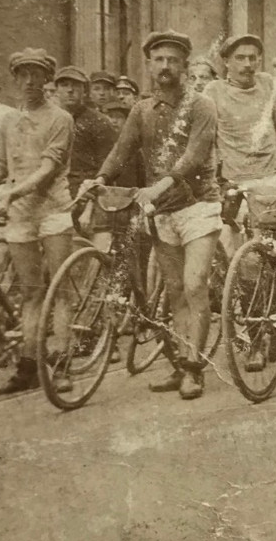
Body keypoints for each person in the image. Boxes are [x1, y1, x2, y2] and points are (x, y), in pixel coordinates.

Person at [88, 31, 222, 401]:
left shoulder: (201, 106)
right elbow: (122, 150)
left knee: (195, 285)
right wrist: (98, 178)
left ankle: (194, 369)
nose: (165, 67)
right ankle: (181, 363)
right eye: (159, 60)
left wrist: (160, 185)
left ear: (184, 65)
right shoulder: (141, 110)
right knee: (175, 290)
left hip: (198, 206)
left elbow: (194, 156)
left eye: (173, 60)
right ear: (149, 65)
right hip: (163, 212)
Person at [0, 50, 77, 395]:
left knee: (60, 287)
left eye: (36, 75)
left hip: (53, 209)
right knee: (30, 292)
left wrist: (11, 193)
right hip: (20, 214)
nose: (28, 81)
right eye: (22, 74)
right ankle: (27, 365)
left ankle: (63, 362)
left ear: (46, 79)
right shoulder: (8, 120)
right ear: (15, 78)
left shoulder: (60, 118)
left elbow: (47, 169)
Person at [202, 33, 276, 258]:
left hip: (273, 176)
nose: (248, 64)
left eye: (253, 58)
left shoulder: (267, 83)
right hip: (236, 181)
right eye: (240, 58)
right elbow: (208, 140)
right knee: (237, 251)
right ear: (226, 62)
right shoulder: (214, 91)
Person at [52, 65, 117, 197]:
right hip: (53, 191)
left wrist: (94, 188)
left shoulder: (99, 121)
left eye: (76, 85)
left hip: (86, 190)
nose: (70, 90)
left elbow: (108, 164)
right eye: (64, 85)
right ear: (56, 90)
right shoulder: (50, 120)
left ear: (85, 91)